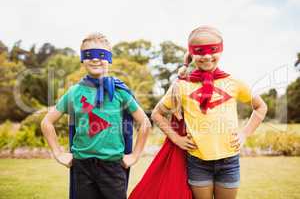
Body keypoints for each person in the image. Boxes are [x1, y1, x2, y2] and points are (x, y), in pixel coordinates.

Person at [150, 26, 268, 199]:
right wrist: (176, 139)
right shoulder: (182, 85)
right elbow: (157, 114)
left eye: (212, 49)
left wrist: (244, 133)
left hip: (229, 161)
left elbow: (261, 107)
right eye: (199, 51)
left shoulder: (233, 82)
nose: (206, 56)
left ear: (221, 50)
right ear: (192, 53)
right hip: (198, 162)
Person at [41, 33, 151, 199]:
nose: (94, 59)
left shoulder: (120, 92)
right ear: (82, 59)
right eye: (88, 55)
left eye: (101, 55)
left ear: (109, 59)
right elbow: (47, 122)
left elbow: (145, 123)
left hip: (113, 166)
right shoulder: (74, 92)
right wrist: (58, 153)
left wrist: (135, 155)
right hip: (82, 166)